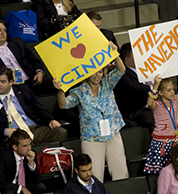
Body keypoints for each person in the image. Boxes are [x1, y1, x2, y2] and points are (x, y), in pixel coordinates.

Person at [53, 41, 129, 183]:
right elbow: (64, 104)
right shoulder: (80, 91)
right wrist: (60, 90)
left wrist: (115, 53)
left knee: (121, 171)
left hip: (112, 133)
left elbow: (121, 70)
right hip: (92, 139)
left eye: (100, 71)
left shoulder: (107, 83)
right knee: (95, 176)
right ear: (87, 74)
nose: (98, 75)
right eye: (94, 72)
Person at [0, 66, 68, 144]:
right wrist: (5, 131)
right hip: (15, 134)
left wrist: (50, 120)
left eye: (3, 82)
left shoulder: (23, 90)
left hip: (34, 128)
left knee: (60, 132)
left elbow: (39, 108)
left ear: (11, 82)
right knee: (23, 144)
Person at [144, 66, 178, 174]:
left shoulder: (176, 100)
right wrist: (155, 86)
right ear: (160, 92)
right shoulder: (157, 105)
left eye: (173, 89)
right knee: (164, 172)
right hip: (162, 143)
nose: (172, 92)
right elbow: (149, 103)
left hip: (177, 141)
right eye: (169, 90)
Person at [0, 19, 50, 96]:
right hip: (11, 88)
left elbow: (34, 60)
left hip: (32, 80)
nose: (3, 33)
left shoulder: (17, 43)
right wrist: (5, 83)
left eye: (4, 30)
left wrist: (40, 72)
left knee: (55, 83)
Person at [0, 129, 47, 194]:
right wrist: (20, 188)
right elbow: (0, 182)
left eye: (29, 144)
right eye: (25, 146)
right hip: (11, 188)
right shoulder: (3, 158)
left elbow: (36, 180)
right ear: (15, 147)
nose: (29, 149)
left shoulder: (31, 154)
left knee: (41, 186)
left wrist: (31, 163)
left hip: (27, 186)